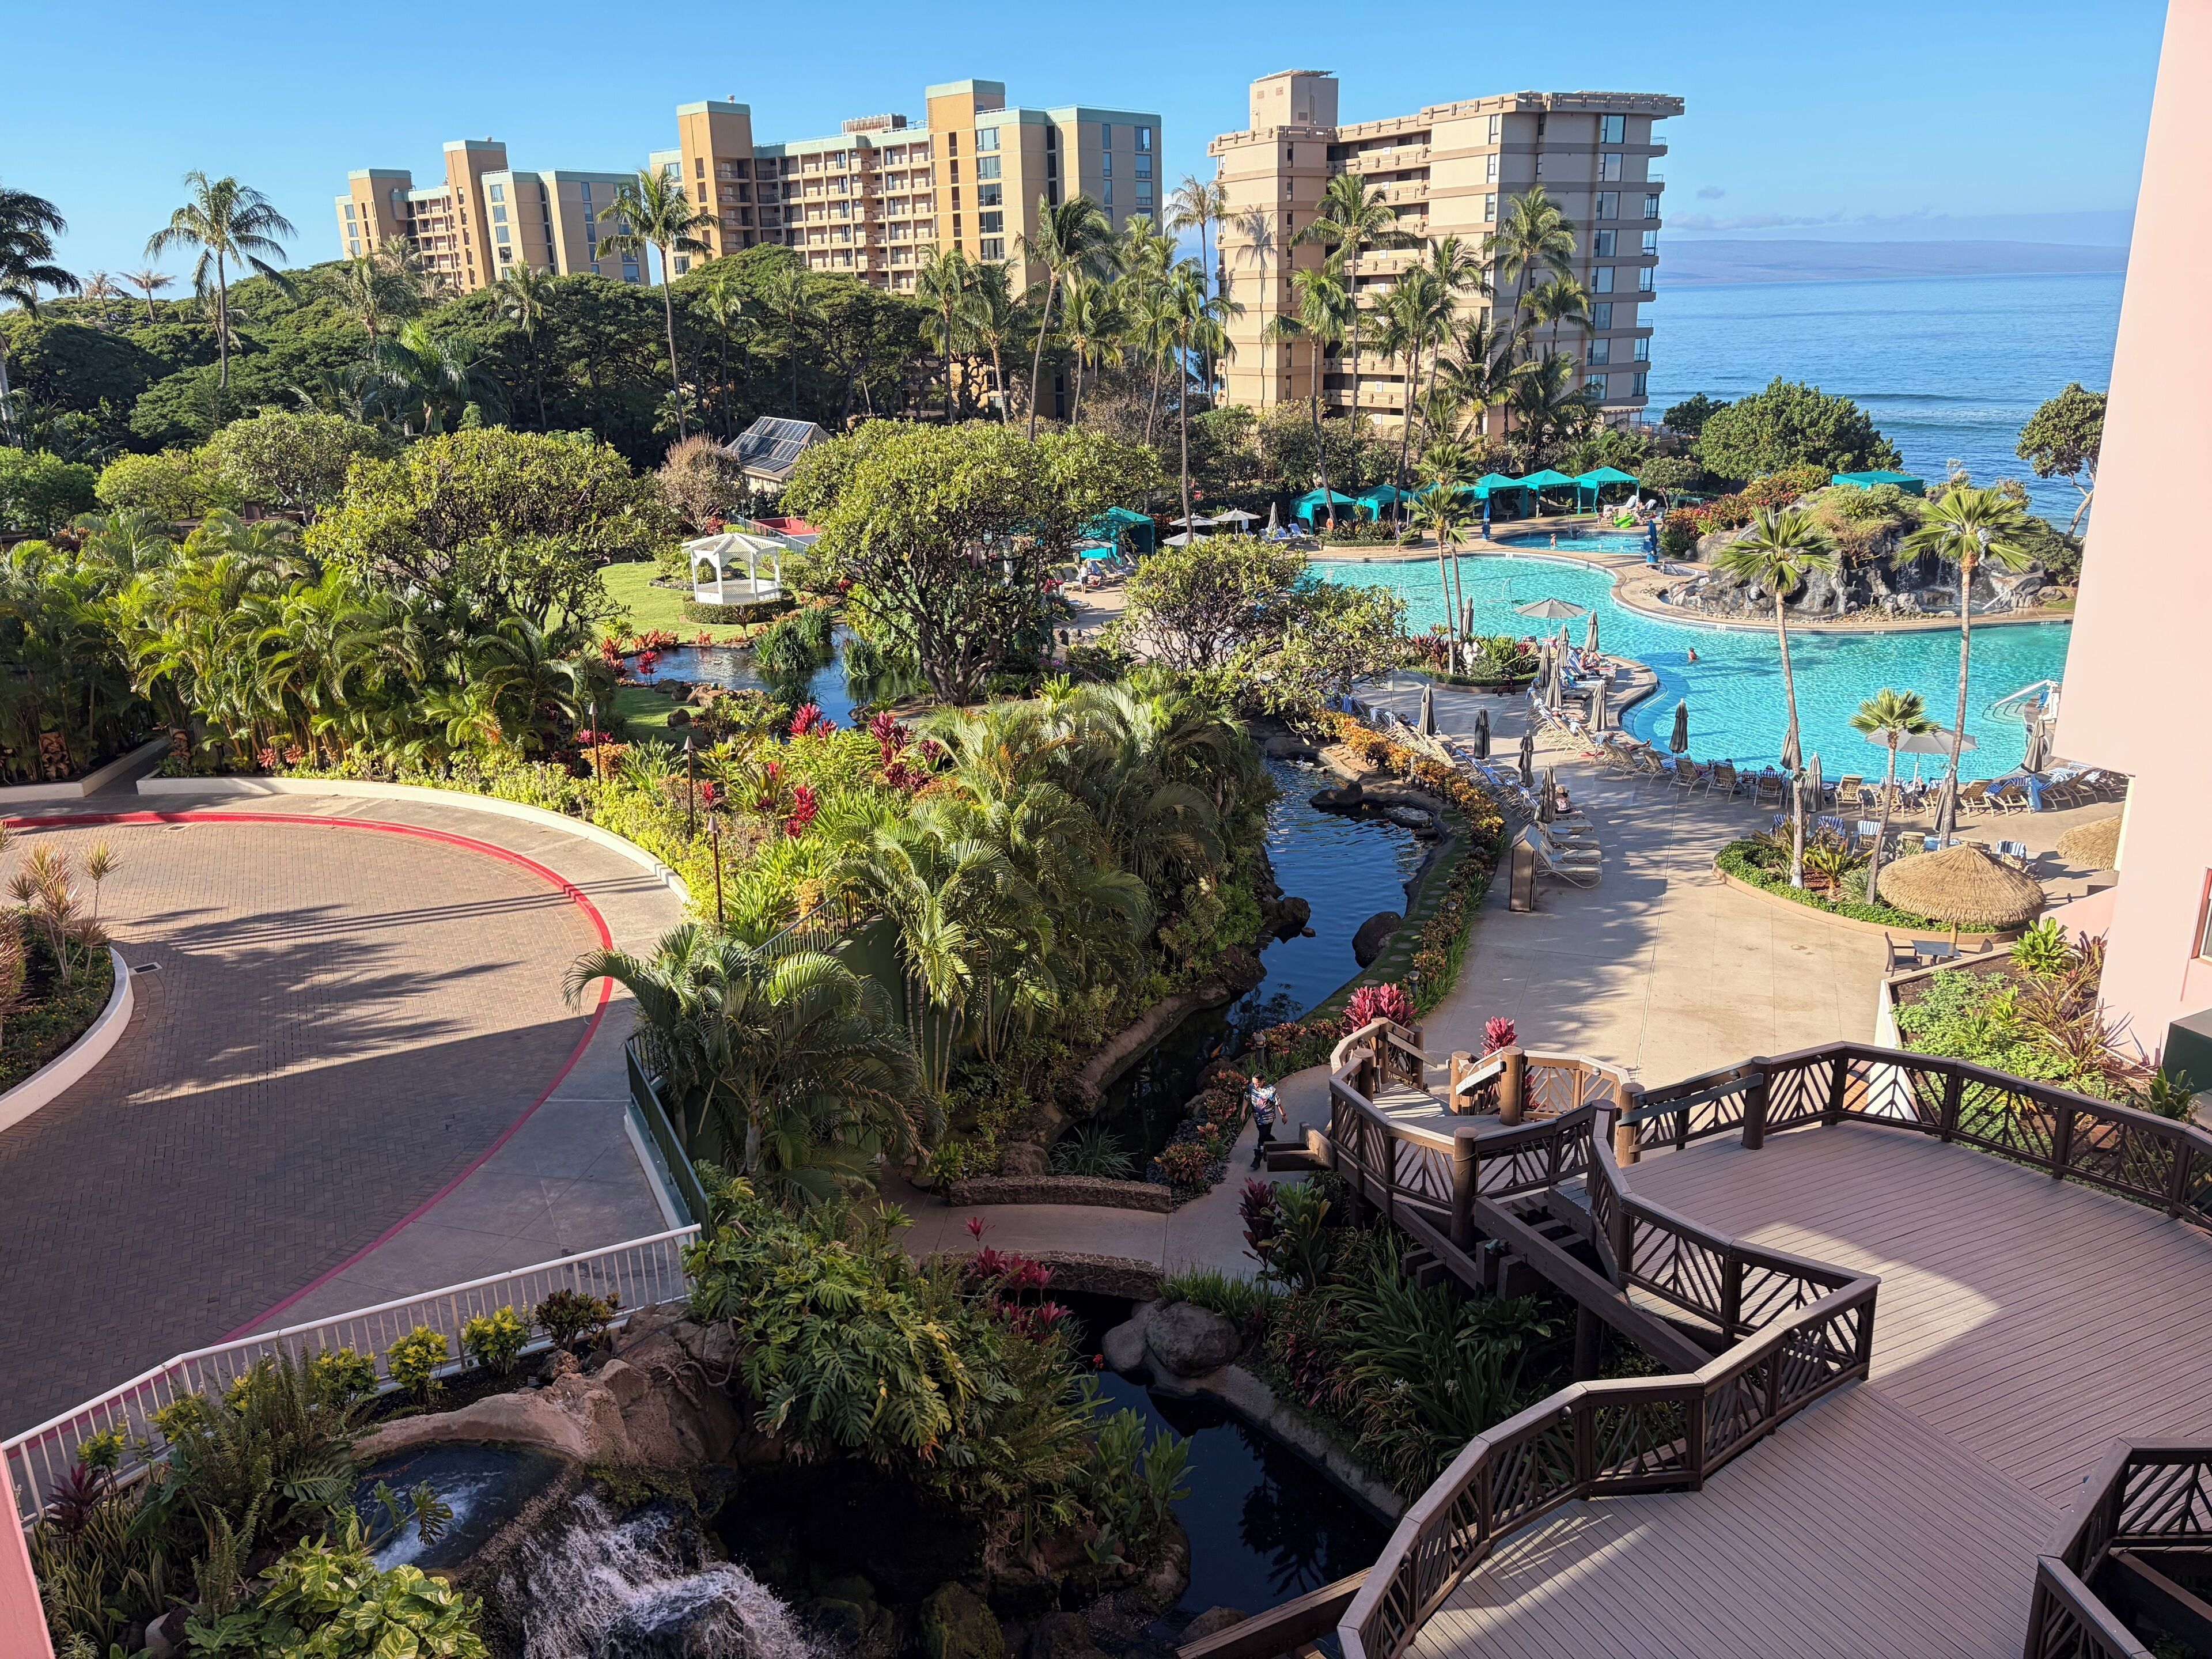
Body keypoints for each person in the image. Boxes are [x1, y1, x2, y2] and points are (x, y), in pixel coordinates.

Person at [1248, 1074, 1280, 1169]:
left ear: (1263, 1081)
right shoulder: (1252, 1088)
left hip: (1268, 1118)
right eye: (1254, 1083)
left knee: (1261, 1139)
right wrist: (1243, 1112)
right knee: (1266, 1134)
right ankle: (1272, 1142)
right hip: (1258, 1118)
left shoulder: (1270, 1091)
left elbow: (1278, 1103)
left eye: (1257, 1083)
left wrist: (1284, 1115)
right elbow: (1247, 1098)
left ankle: (1258, 1157)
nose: (1255, 1085)